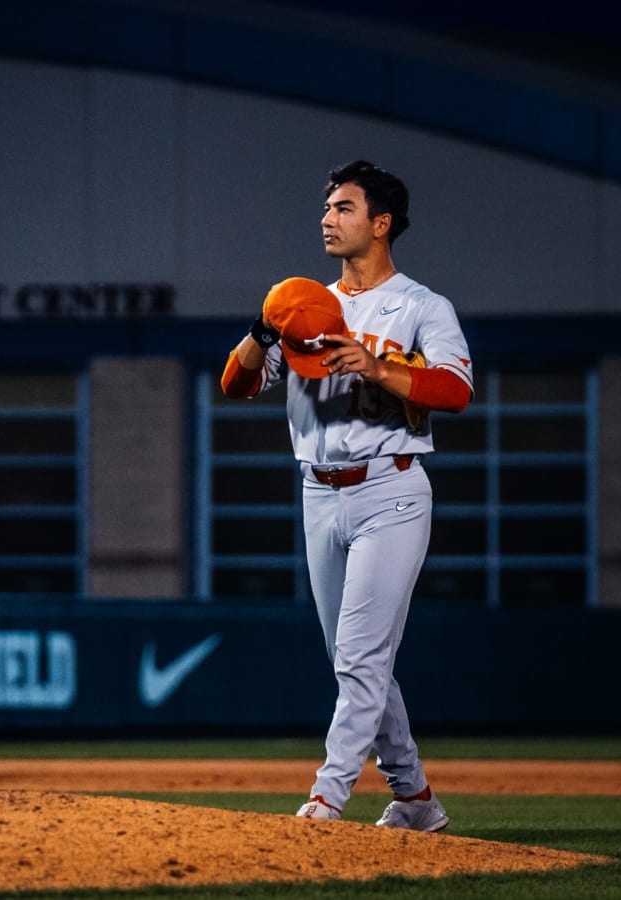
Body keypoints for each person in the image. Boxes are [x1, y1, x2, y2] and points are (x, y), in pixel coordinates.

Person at [220, 160, 473, 830]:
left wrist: (380, 366)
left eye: (343, 207)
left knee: (360, 657)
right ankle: (415, 799)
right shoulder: (307, 305)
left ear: (381, 222)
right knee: (353, 661)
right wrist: (261, 330)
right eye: (327, 207)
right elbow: (236, 385)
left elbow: (455, 391)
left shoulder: (422, 307)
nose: (327, 218)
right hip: (318, 494)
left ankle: (327, 796)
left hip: (391, 489)